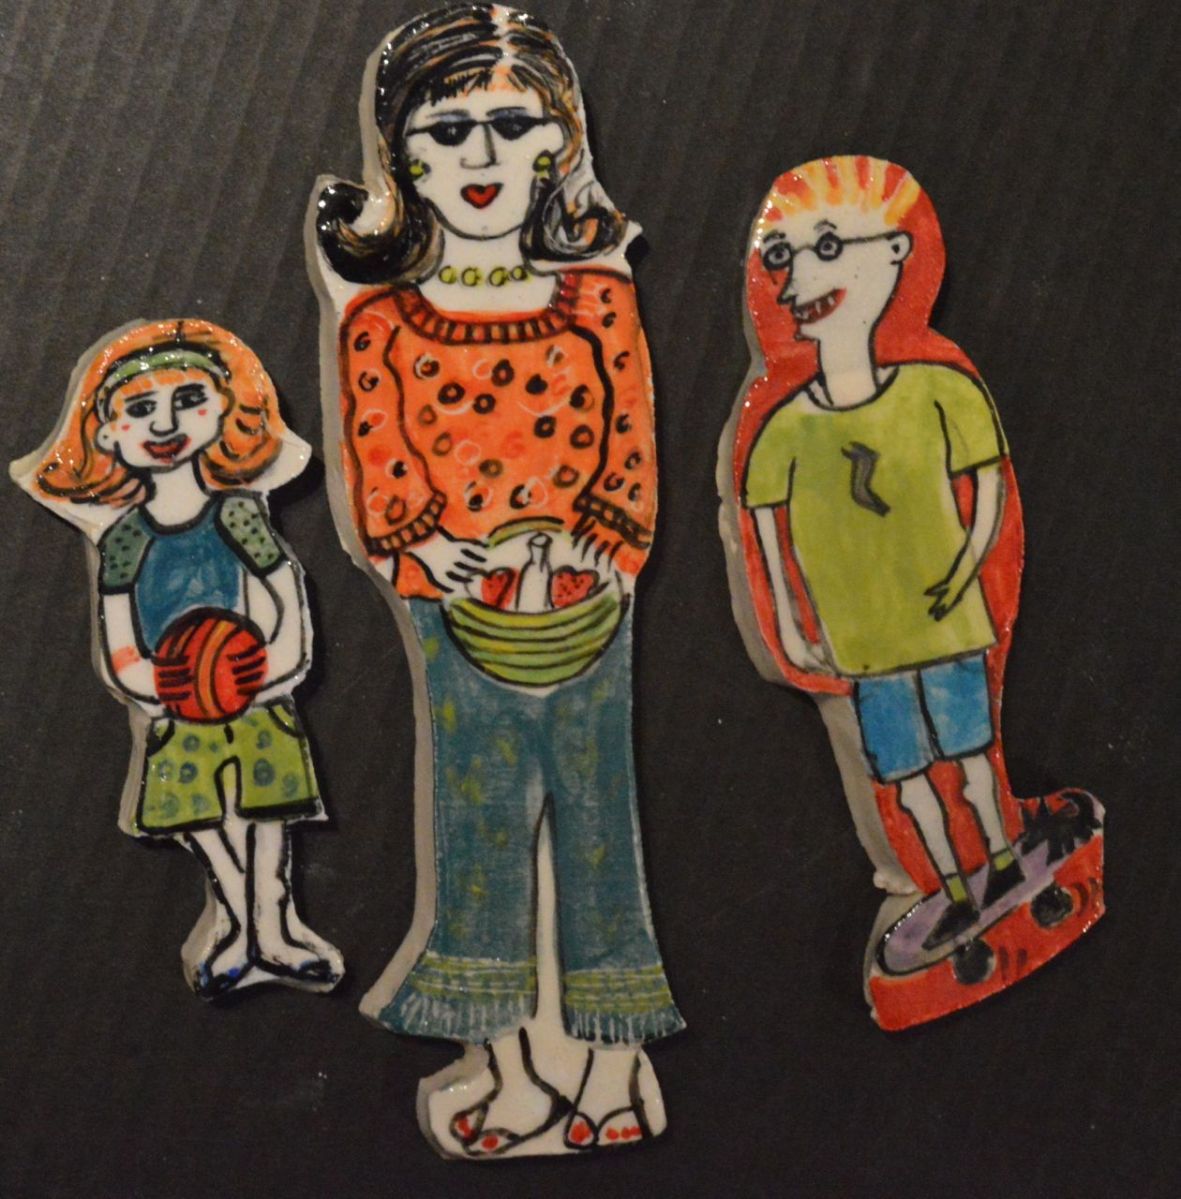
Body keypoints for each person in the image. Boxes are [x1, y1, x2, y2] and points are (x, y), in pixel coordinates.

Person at [313, 3, 681, 1156]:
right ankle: (517, 1074)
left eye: (510, 124)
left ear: (555, 146)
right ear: (403, 158)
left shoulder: (599, 300)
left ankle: (612, 1069)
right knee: (479, 834)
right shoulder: (379, 322)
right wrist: (421, 546)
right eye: (446, 128)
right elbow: (379, 459)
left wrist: (606, 539)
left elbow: (630, 442)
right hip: (452, 611)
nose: (480, 152)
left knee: (596, 825)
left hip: (585, 604)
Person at [740, 157, 1030, 949]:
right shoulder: (780, 430)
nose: (798, 276)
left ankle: (1001, 859)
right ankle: (947, 888)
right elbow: (764, 536)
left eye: (829, 247)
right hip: (863, 645)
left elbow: (989, 490)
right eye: (782, 256)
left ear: (898, 253)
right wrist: (789, 630)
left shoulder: (943, 390)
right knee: (902, 778)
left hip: (948, 626)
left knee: (972, 756)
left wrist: (965, 569)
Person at [23, 318, 343, 997]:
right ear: (107, 435)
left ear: (224, 410)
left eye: (188, 400)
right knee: (201, 821)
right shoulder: (122, 538)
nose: (165, 423)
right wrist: (151, 682)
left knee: (267, 815)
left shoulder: (239, 514)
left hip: (255, 696)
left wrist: (276, 665)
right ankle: (240, 923)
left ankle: (273, 928)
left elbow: (284, 596)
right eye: (140, 409)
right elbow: (119, 634)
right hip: (176, 707)